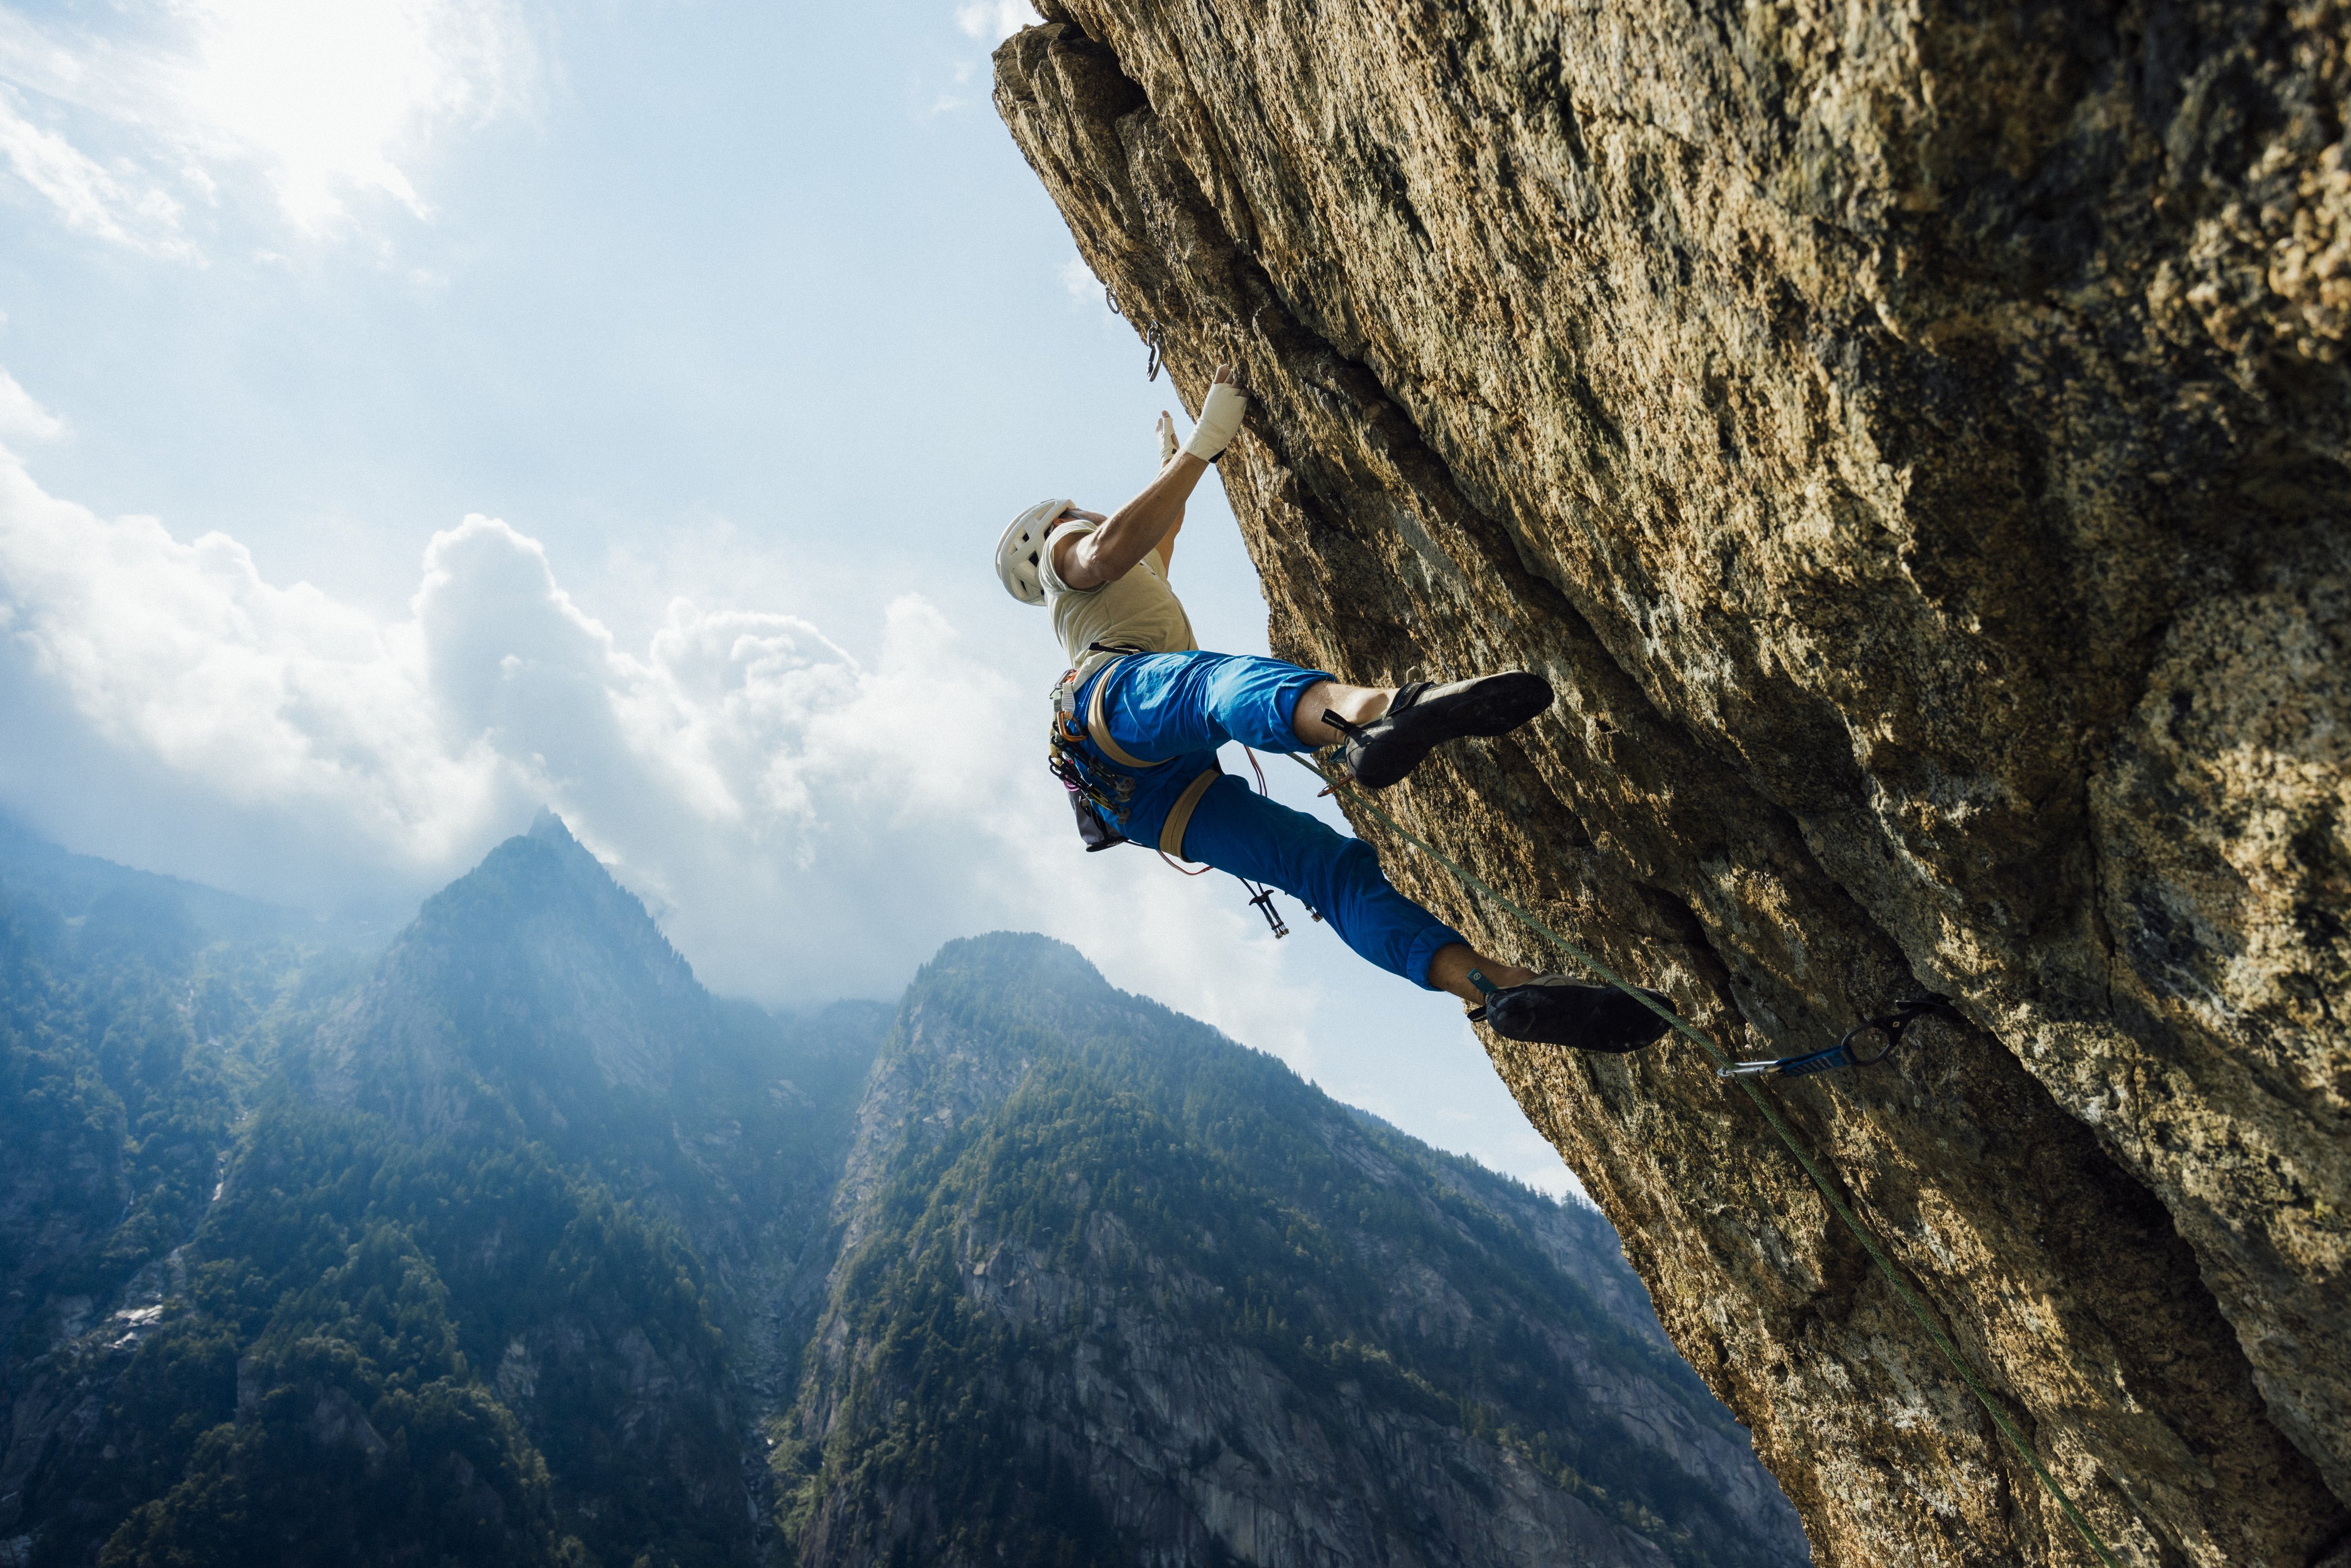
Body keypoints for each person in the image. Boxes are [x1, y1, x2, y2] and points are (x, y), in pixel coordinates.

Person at [994, 365, 1668, 1051]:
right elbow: (1107, 551)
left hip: (1143, 801)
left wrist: (1176, 466)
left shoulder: (1121, 587)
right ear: (1055, 524)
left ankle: (1500, 987)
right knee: (1216, 687)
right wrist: (1204, 441)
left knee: (1326, 870)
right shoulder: (1059, 550)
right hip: (1115, 705)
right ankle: (1374, 714)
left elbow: (1149, 544)